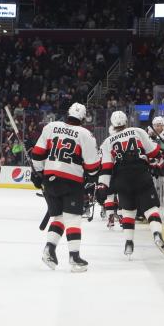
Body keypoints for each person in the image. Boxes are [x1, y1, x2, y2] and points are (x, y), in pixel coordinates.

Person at [30, 102, 100, 273]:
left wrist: (38, 174)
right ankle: (74, 257)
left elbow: (37, 154)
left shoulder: (51, 126)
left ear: (68, 113)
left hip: (50, 180)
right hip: (71, 181)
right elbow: (92, 167)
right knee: (73, 219)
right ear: (83, 118)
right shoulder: (85, 134)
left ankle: (49, 249)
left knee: (59, 218)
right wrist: (91, 177)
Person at [96, 111, 164, 259]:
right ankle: (156, 234)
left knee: (128, 211)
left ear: (112, 124)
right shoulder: (137, 131)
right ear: (126, 122)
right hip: (141, 174)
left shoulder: (107, 141)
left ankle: (129, 243)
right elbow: (154, 152)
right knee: (151, 208)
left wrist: (102, 186)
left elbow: (106, 168)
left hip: (121, 178)